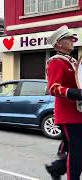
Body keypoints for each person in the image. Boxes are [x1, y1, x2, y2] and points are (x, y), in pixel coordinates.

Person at [46, 25, 82, 180]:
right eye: (68, 38)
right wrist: (74, 93)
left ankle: (56, 169)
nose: (72, 40)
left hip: (78, 112)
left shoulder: (73, 61)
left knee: (76, 150)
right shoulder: (56, 62)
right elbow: (53, 88)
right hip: (68, 114)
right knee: (76, 154)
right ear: (58, 44)